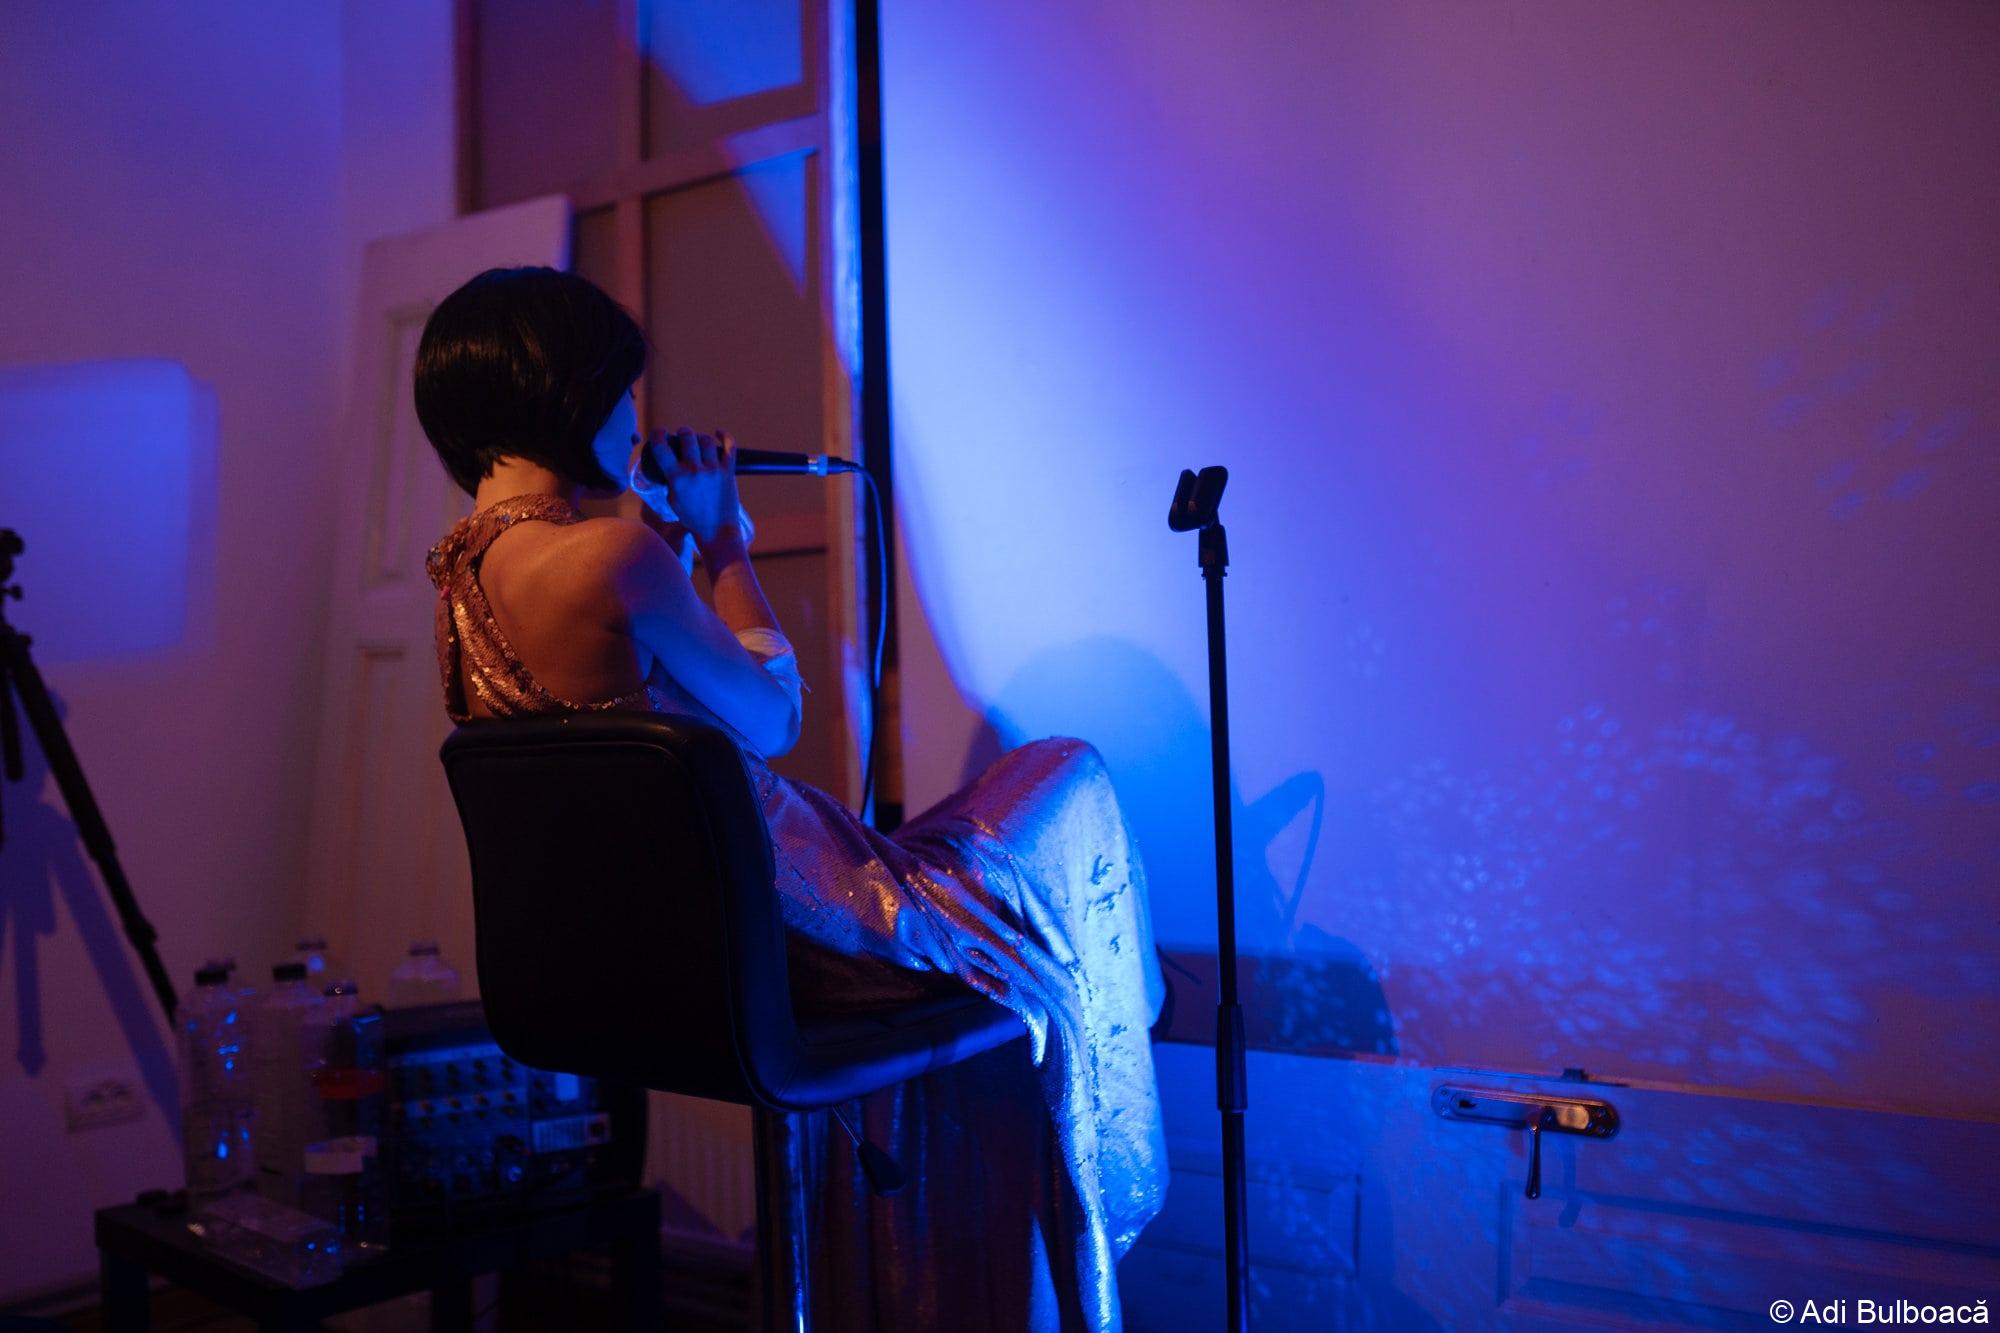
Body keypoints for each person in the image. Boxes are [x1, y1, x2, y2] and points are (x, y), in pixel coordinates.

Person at [418, 267, 1165, 1330]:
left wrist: (673, 542)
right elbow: (772, 718)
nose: (634, 418)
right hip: (808, 927)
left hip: (668, 958)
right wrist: (725, 539)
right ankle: (1124, 1042)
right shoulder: (609, 555)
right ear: (562, 387)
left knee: (1012, 839)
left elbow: (647, 711)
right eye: (622, 390)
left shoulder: (460, 588)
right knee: (1068, 770)